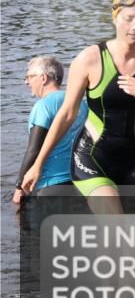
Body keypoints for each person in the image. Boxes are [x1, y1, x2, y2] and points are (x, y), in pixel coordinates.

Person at [21, 0, 135, 298]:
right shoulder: (91, 58)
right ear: (115, 17)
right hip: (92, 158)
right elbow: (67, 114)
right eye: (129, 18)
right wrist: (38, 164)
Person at [13, 57, 87, 212]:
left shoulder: (43, 106)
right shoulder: (81, 103)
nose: (27, 82)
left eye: (29, 77)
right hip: (81, 183)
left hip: (50, 185)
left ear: (44, 78)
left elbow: (34, 149)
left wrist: (19, 187)